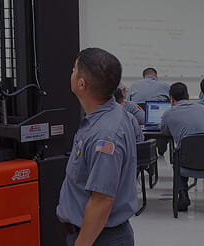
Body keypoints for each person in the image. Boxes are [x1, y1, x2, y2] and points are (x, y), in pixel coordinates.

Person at [59, 48, 141, 246]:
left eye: (73, 69)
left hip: (99, 238)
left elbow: (102, 201)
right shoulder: (111, 116)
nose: (71, 72)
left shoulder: (105, 135)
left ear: (81, 83)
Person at [161, 82, 204, 212]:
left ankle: (183, 195)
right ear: (188, 96)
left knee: (178, 153)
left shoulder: (168, 114)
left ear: (171, 99)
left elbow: (165, 132)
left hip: (188, 162)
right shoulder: (202, 109)